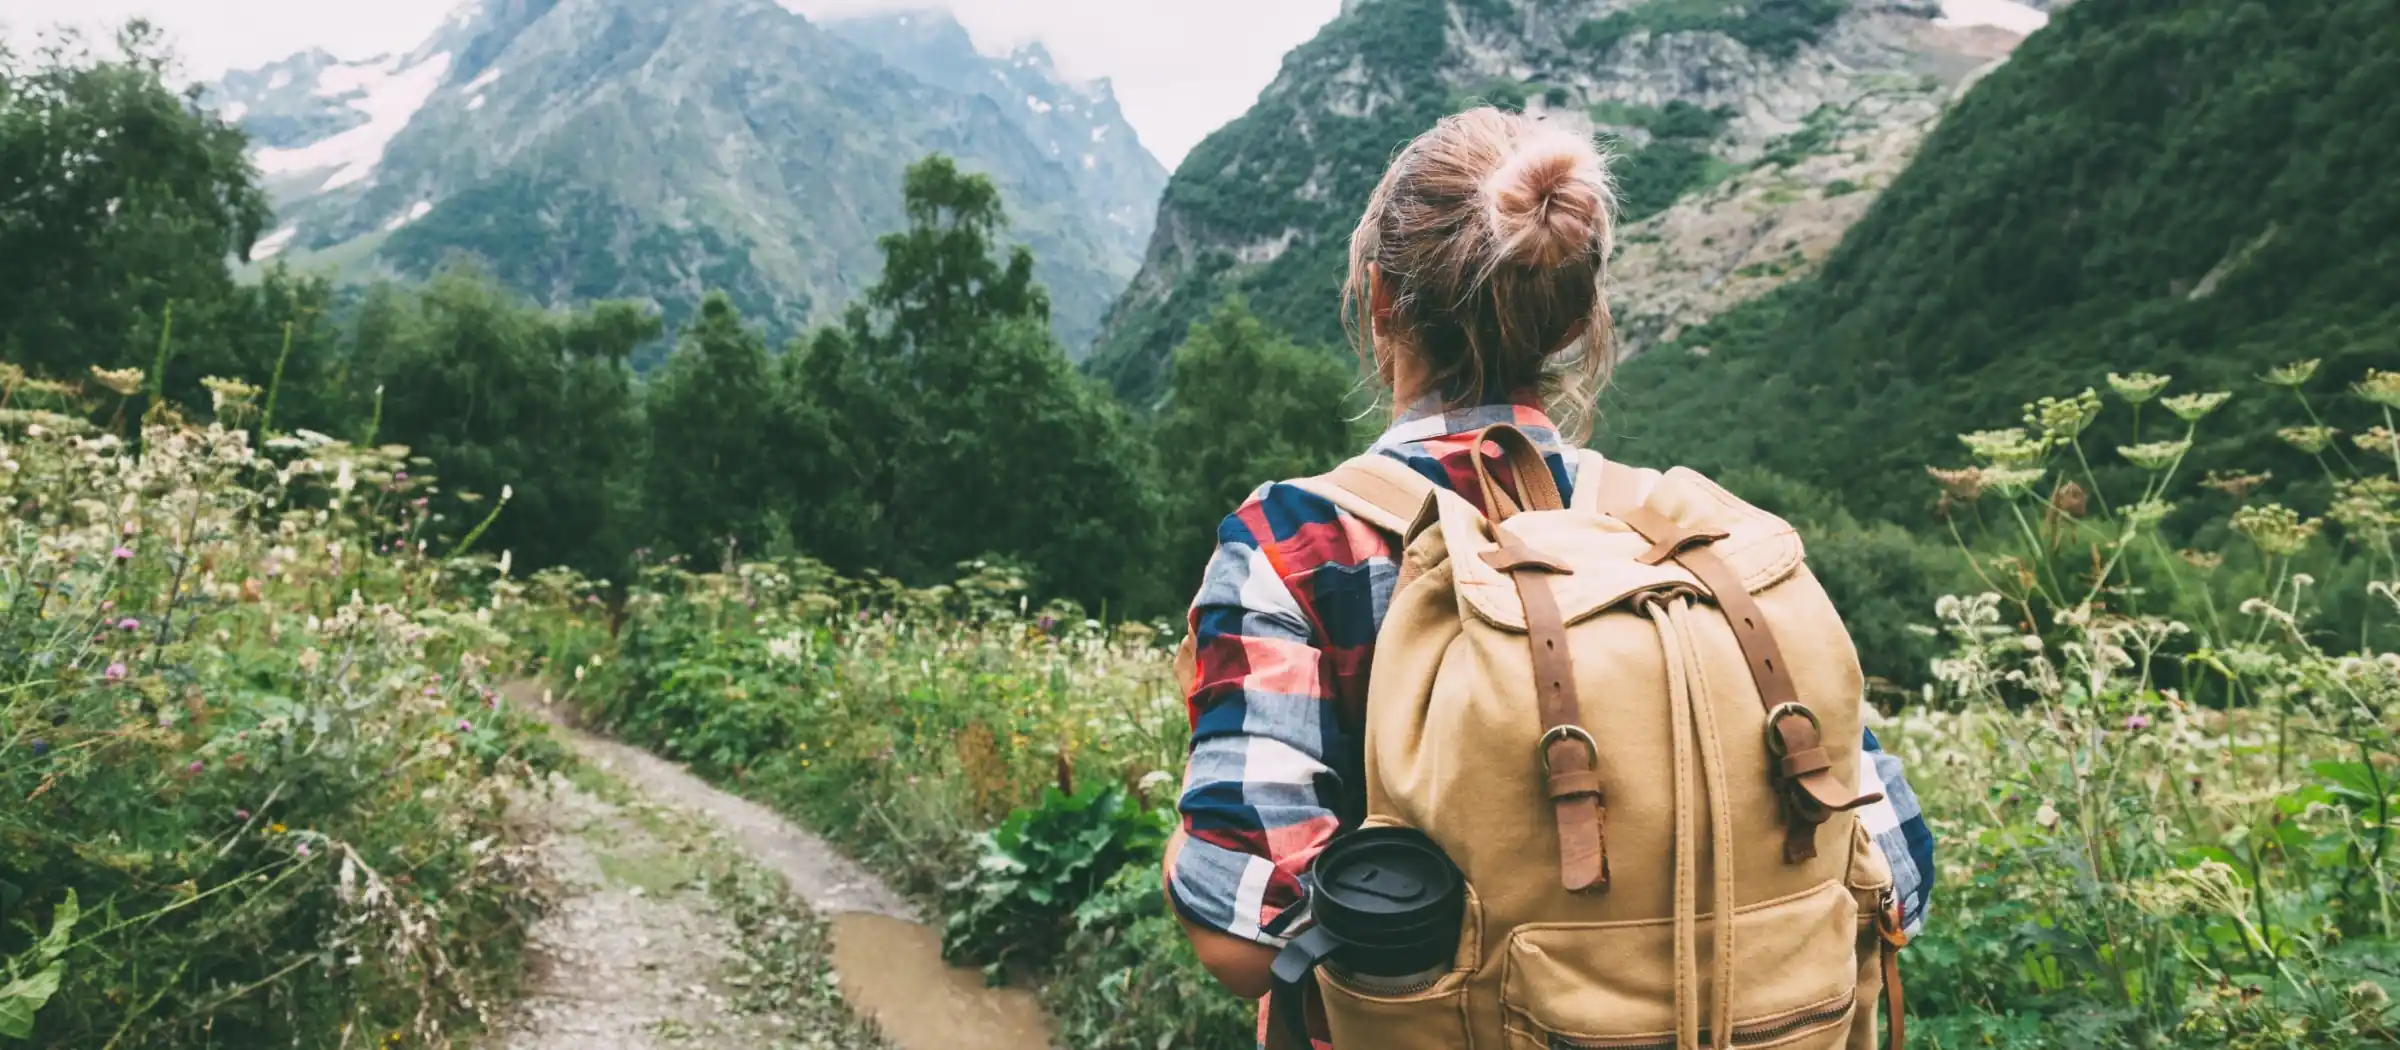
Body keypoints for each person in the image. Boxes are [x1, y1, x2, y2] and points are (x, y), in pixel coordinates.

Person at [1159, 106, 1934, 1046]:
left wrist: (1185, 839)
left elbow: (1246, 939)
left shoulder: (1299, 544)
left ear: (1378, 302)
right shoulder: (1690, 540)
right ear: (1574, 321)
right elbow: (1896, 870)